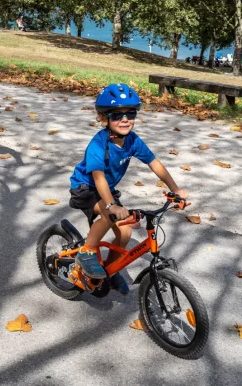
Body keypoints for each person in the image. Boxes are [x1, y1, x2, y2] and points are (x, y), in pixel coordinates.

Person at [69, 84, 188, 294]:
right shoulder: (98, 144)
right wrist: (112, 205)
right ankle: (87, 252)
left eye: (130, 113)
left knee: (124, 234)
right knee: (108, 216)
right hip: (85, 188)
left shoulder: (132, 140)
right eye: (116, 115)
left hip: (107, 191)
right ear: (103, 118)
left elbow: (154, 163)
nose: (124, 119)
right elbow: (98, 178)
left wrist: (175, 189)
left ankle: (110, 271)